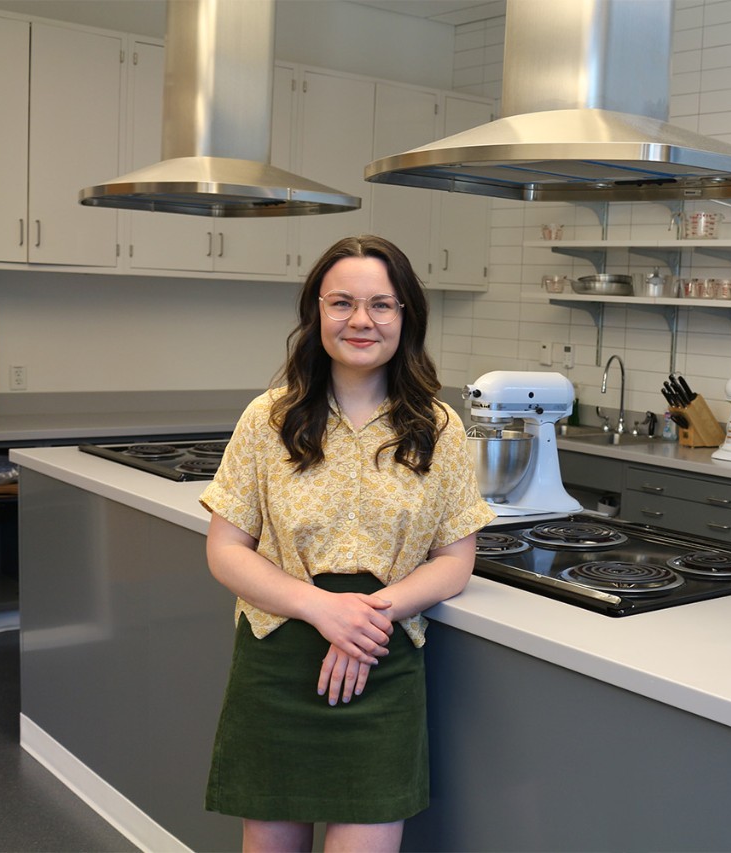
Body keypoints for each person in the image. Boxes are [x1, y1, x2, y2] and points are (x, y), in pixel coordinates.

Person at [199, 235, 496, 852]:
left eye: (382, 305)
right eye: (342, 303)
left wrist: (364, 622)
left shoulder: (440, 429)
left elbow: (455, 560)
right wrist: (320, 608)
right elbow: (226, 549)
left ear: (405, 316)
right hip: (276, 656)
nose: (361, 320)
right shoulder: (268, 418)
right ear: (316, 314)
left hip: (382, 664)